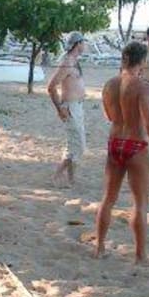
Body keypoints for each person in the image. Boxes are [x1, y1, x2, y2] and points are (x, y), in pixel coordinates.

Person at [94, 41, 149, 264]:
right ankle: (140, 256)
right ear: (143, 61)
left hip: (114, 142)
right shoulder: (143, 86)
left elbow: (109, 116)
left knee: (108, 198)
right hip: (135, 145)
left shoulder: (109, 84)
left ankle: (99, 247)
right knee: (140, 202)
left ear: (123, 58)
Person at [48, 31, 87, 187]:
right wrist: (60, 109)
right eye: (83, 42)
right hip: (70, 107)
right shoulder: (67, 63)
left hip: (78, 106)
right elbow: (51, 87)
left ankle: (70, 179)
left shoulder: (75, 61)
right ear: (77, 44)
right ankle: (57, 175)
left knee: (75, 144)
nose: (85, 45)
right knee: (78, 145)